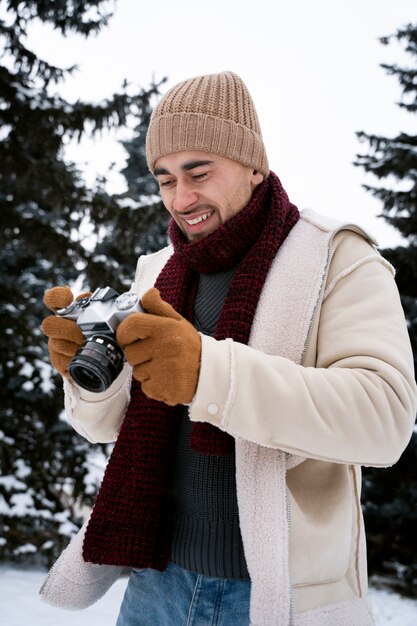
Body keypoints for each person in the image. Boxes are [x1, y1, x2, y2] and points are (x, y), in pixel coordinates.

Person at [40, 71, 417, 626]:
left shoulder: (339, 257)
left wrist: (207, 371)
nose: (181, 198)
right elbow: (110, 426)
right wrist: (86, 376)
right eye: (164, 179)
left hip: (277, 595)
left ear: (254, 164)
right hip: (153, 581)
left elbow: (384, 419)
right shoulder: (156, 273)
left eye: (199, 172)